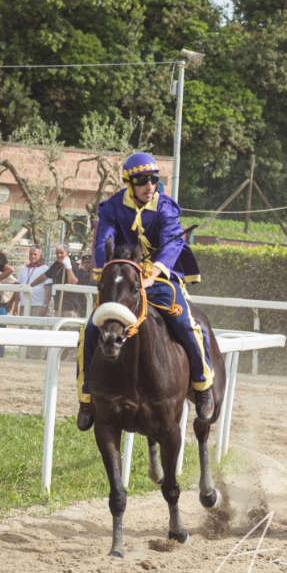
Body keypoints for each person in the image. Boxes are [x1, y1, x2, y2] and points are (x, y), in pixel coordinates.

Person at [76, 152, 215, 431]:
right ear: (129, 182)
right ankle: (87, 399)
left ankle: (202, 386)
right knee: (90, 330)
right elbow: (103, 240)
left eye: (153, 179)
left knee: (185, 323)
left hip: (159, 278)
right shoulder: (111, 207)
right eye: (142, 180)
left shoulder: (166, 207)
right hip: (123, 279)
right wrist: (106, 271)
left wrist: (155, 271)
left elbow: (172, 245)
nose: (149, 185)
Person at [31, 245, 81, 317]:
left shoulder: (72, 264)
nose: (59, 255)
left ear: (67, 253)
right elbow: (45, 276)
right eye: (57, 253)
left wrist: (68, 267)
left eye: (61, 253)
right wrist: (30, 285)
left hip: (70, 307)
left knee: (69, 328)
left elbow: (73, 282)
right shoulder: (56, 264)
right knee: (58, 327)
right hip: (59, 305)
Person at [15, 246, 50, 316]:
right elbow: (18, 289)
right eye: (31, 254)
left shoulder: (45, 269)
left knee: (37, 326)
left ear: (40, 256)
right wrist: (16, 304)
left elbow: (49, 289)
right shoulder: (23, 269)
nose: (32, 256)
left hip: (38, 305)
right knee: (23, 326)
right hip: (24, 305)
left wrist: (45, 306)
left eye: (35, 254)